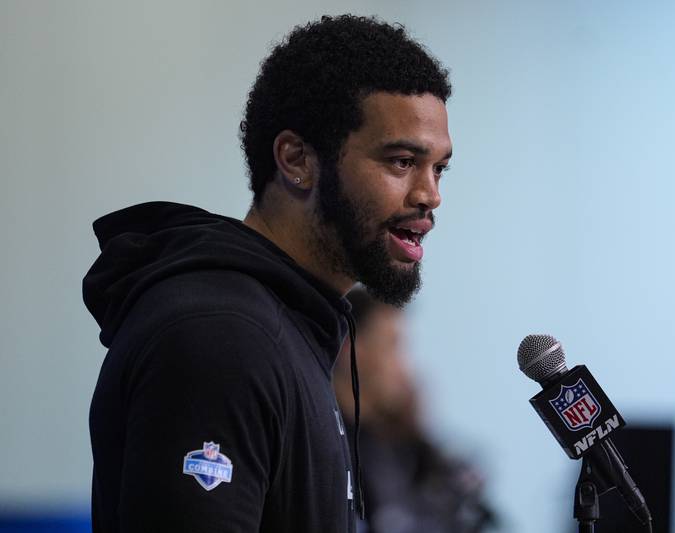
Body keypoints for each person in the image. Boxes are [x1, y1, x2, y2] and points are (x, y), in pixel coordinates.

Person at [82, 15, 452, 533]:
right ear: (296, 159)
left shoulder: (292, 328)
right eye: (402, 161)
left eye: (439, 168)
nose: (430, 194)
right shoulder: (220, 337)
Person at [334, 288, 497, 533]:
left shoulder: (398, 444)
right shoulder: (326, 444)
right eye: (392, 346)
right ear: (350, 349)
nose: (404, 366)